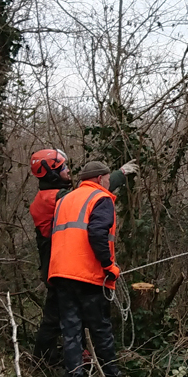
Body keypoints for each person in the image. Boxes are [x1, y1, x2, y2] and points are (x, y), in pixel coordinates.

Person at [27, 148, 135, 363]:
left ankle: (63, 358)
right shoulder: (55, 197)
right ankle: (43, 360)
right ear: (52, 173)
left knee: (65, 316)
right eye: (63, 168)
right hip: (61, 265)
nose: (68, 171)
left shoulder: (50, 195)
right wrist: (118, 175)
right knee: (56, 318)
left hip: (58, 264)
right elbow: (86, 197)